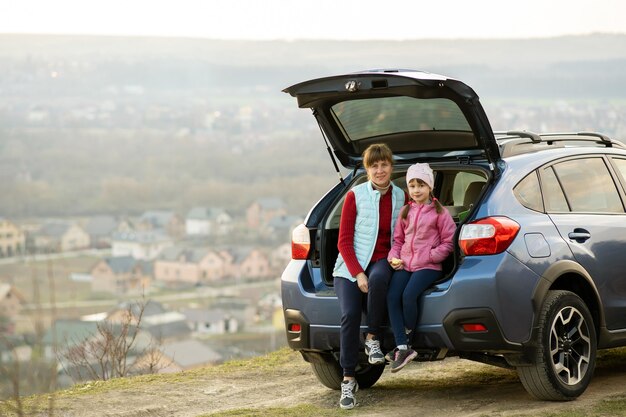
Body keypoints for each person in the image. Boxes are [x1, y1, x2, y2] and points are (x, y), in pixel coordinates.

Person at [333, 143, 408, 409]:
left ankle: (372, 338)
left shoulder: (401, 196)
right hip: (349, 266)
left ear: (391, 167)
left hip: (383, 260)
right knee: (350, 314)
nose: (379, 170)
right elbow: (343, 242)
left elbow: (408, 231)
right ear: (367, 169)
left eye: (384, 164)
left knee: (378, 279)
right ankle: (348, 379)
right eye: (374, 166)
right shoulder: (355, 195)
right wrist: (357, 273)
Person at [386, 163, 456, 373]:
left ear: (430, 187)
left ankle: (406, 340)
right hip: (406, 264)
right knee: (391, 297)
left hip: (429, 266)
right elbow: (397, 241)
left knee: (408, 296)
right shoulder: (405, 211)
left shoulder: (440, 213)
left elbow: (449, 242)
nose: (416, 190)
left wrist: (431, 256)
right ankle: (402, 346)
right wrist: (393, 257)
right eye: (412, 185)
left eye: (421, 185)